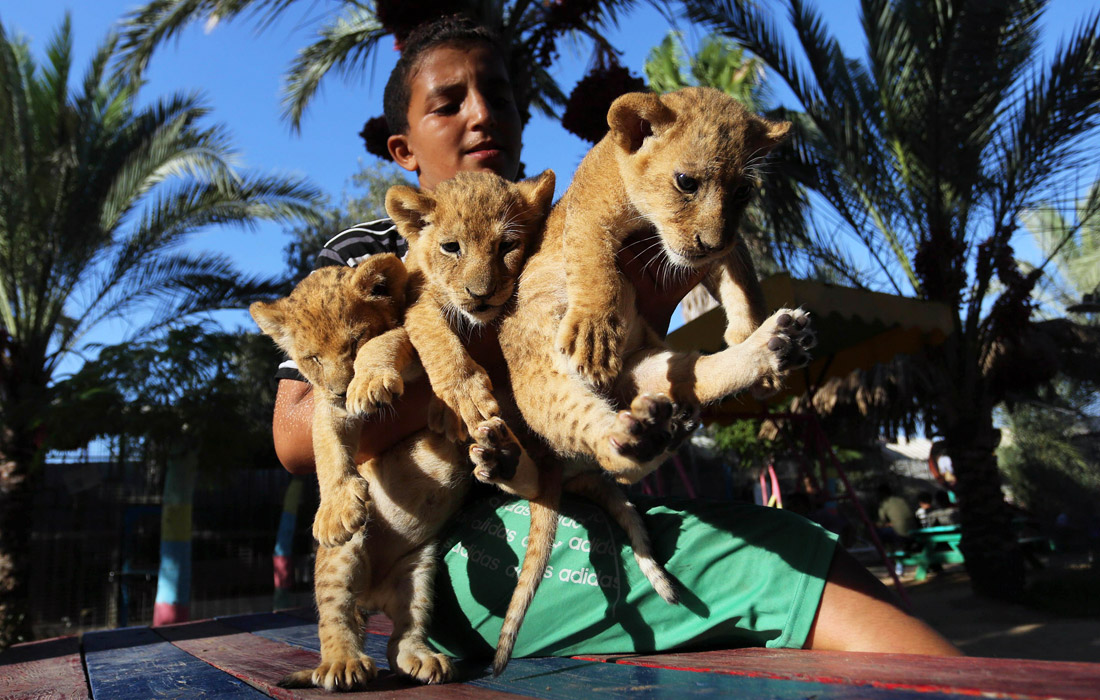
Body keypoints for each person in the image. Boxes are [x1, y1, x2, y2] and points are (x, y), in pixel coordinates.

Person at [272, 15, 960, 658]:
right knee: (771, 564)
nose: (482, 113)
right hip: (446, 549)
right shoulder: (373, 255)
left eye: (500, 94)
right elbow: (296, 435)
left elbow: (614, 360)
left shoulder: (554, 219)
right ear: (403, 150)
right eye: (448, 104)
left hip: (554, 492)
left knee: (798, 544)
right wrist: (464, 369)